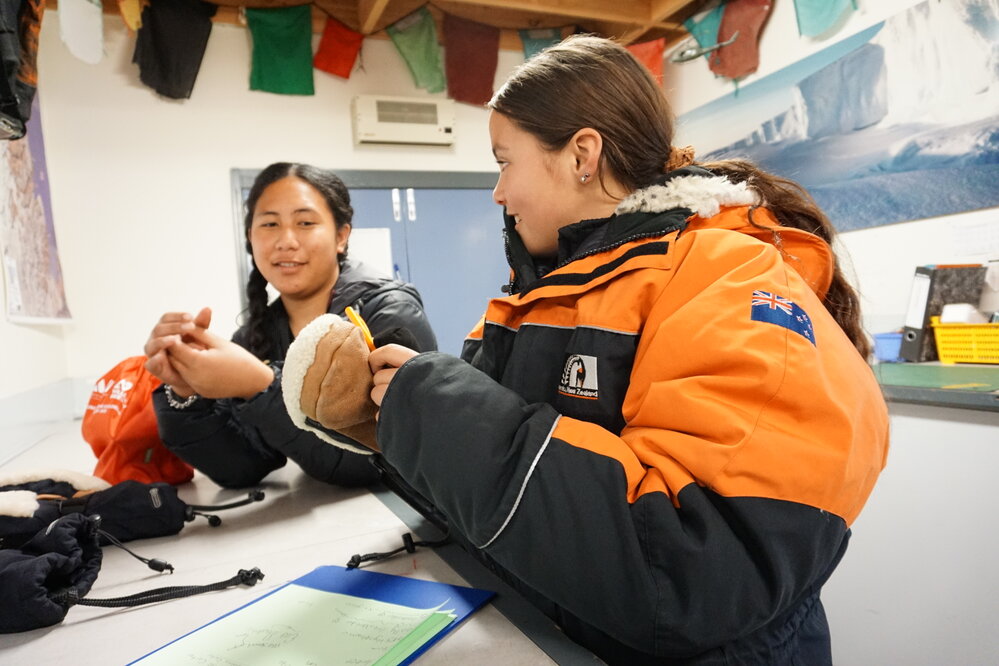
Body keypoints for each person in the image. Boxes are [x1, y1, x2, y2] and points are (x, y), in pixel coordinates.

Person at [359, 37, 889, 664]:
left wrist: (432, 407)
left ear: (583, 154)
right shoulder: (535, 297)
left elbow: (691, 570)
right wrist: (388, 418)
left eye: (505, 162)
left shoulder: (726, 276)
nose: (498, 193)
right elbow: (490, 500)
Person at [144, 162, 437, 489]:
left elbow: (378, 460)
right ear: (250, 238)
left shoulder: (388, 313)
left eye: (305, 222)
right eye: (269, 223)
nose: (286, 240)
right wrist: (186, 390)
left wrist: (260, 385)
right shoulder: (255, 335)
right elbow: (242, 466)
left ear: (341, 236)